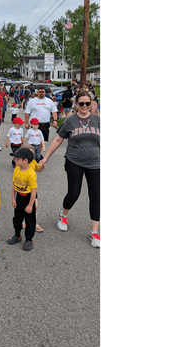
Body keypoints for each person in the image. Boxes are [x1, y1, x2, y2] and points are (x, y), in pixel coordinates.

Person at [39, 91, 101, 248]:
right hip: (74, 161)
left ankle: (94, 232)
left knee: (96, 196)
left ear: (92, 104)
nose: (85, 106)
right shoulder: (70, 121)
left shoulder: (98, 120)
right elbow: (58, 139)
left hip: (95, 163)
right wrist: (46, 158)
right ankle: (63, 215)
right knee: (74, 193)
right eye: (81, 104)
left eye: (88, 103)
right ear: (76, 105)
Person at [6, 147, 38, 251]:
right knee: (17, 218)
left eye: (17, 158)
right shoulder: (16, 170)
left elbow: (34, 191)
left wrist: (30, 205)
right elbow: (13, 185)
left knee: (29, 220)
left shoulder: (31, 173)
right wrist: (13, 198)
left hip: (28, 198)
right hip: (19, 197)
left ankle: (29, 239)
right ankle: (17, 235)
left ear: (25, 160)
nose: (15, 160)